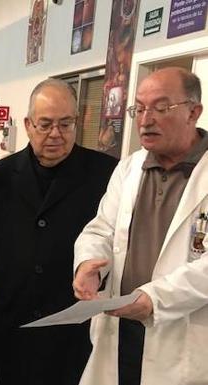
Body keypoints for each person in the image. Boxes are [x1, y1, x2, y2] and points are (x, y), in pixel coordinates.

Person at [73, 67, 208, 385]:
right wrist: (88, 264)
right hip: (121, 335)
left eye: (161, 108)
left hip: (183, 340)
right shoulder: (130, 168)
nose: (146, 120)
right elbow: (101, 229)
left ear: (194, 112)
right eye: (139, 108)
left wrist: (154, 299)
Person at [0, 79, 118, 385]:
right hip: (13, 326)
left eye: (65, 124)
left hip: (75, 327)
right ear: (28, 125)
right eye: (45, 125)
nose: (56, 134)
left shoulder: (107, 174)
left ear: (77, 120)